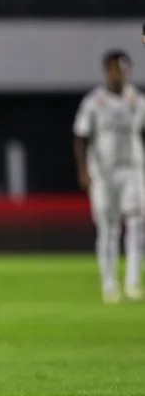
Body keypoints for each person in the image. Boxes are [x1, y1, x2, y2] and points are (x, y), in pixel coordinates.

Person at [74, 49, 145, 304]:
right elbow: (81, 136)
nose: (120, 74)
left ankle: (134, 282)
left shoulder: (137, 100)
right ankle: (110, 284)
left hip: (133, 169)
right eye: (115, 69)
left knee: (137, 223)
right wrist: (83, 170)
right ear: (107, 71)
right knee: (109, 227)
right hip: (103, 172)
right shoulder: (94, 102)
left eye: (124, 69)